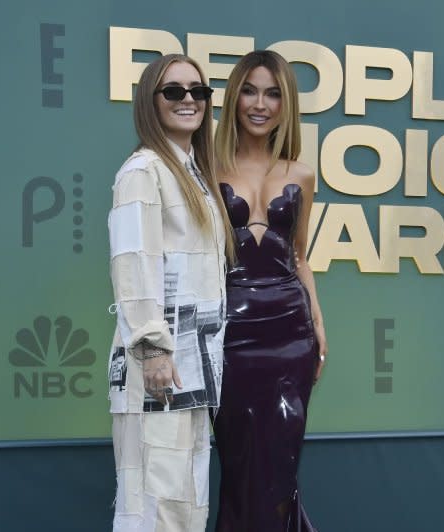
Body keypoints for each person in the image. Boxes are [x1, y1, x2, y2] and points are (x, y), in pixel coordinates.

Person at [106, 53, 233, 531]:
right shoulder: (143, 170)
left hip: (194, 364)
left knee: (183, 501)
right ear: (150, 101)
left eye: (198, 91)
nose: (188, 100)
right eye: (173, 91)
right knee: (152, 502)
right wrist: (154, 349)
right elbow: (133, 263)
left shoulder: (193, 171)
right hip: (159, 367)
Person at [212, 49, 328, 531]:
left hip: (291, 337)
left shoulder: (301, 173)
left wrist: (318, 324)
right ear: (235, 97)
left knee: (281, 471)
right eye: (251, 91)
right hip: (228, 339)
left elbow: (299, 254)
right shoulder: (203, 167)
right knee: (240, 471)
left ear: (287, 104)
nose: (260, 104)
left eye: (273, 93)